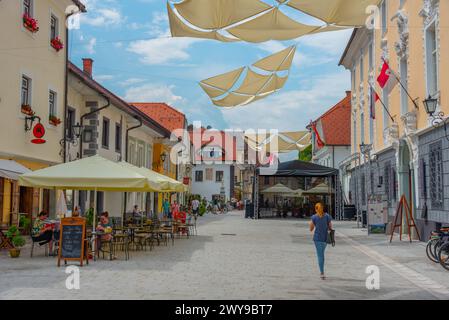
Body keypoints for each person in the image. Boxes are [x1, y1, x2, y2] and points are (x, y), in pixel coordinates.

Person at [309, 202, 333, 280]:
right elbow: (330, 227)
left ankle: (322, 273)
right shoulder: (327, 216)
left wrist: (314, 224)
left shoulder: (314, 217)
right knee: (322, 254)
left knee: (320, 256)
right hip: (325, 239)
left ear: (316, 209)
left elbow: (311, 229)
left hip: (317, 239)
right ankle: (322, 271)